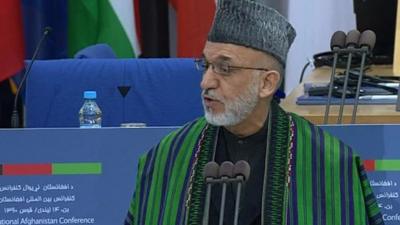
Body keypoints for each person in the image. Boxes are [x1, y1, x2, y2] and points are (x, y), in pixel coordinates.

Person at [124, 0, 383, 224]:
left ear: (267, 83)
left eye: (225, 68)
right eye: (206, 65)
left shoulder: (329, 162)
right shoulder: (167, 158)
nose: (206, 82)